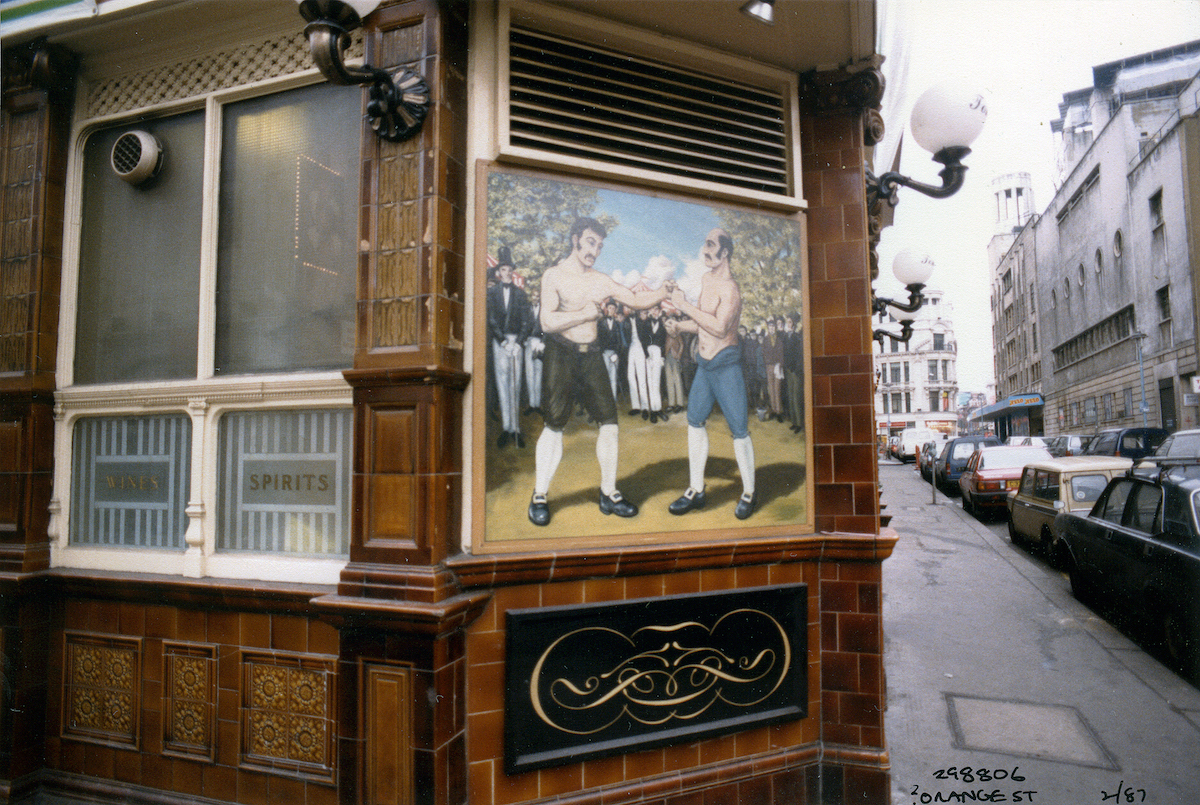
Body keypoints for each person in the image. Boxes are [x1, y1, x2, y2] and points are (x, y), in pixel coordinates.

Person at [528, 217, 674, 526]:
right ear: (576, 239)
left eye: (600, 245)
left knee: (609, 422)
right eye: (591, 242)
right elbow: (546, 323)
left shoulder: (601, 280)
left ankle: (609, 494)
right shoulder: (553, 275)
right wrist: (583, 313)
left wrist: (662, 292)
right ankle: (539, 495)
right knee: (554, 424)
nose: (595, 250)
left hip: (591, 355)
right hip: (560, 353)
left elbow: (634, 300)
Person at [665, 228, 757, 520]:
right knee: (694, 421)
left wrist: (683, 307)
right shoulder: (706, 279)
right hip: (705, 364)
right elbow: (704, 325)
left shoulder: (731, 288)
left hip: (725, 364)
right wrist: (680, 326)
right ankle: (696, 489)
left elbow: (719, 328)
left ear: (725, 253)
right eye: (704, 243)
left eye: (710, 245)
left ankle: (749, 493)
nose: (704, 249)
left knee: (739, 430)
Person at [486, 249, 533, 447]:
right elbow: (491, 319)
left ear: (513, 272)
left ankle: (516, 429)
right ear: (499, 271)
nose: (506, 272)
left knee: (515, 384)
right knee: (502, 384)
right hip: (500, 343)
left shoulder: (520, 294)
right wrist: (503, 341)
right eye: (503, 269)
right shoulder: (492, 292)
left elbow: (527, 321)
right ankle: (506, 428)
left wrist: (518, 342)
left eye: (509, 269)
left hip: (516, 342)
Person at [783, 311, 804, 433]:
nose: (788, 324)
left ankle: (799, 424)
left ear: (794, 323)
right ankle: (794, 422)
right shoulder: (786, 336)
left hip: (795, 371)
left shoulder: (797, 337)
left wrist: (796, 369)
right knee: (790, 396)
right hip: (788, 370)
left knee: (796, 398)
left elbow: (800, 356)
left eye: (790, 322)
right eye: (788, 322)